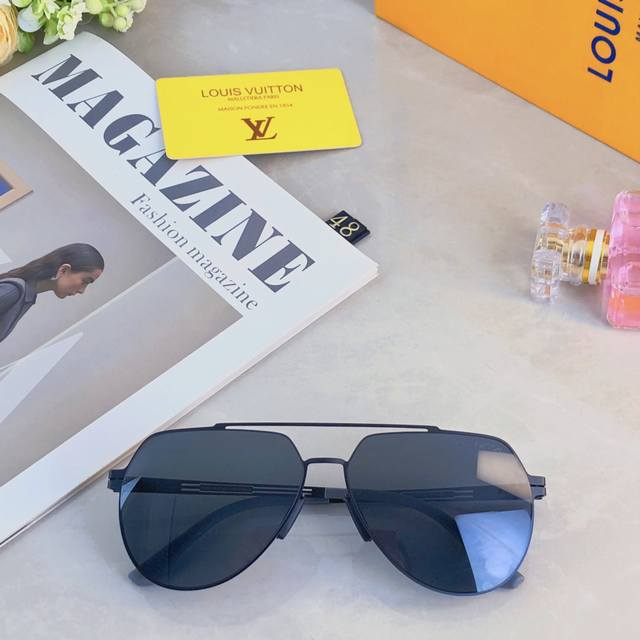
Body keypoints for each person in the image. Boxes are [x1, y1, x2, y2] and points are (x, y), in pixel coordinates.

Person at [0, 243, 104, 345]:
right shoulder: (13, 291)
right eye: (85, 281)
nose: (82, 291)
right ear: (63, 270)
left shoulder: (24, 295)